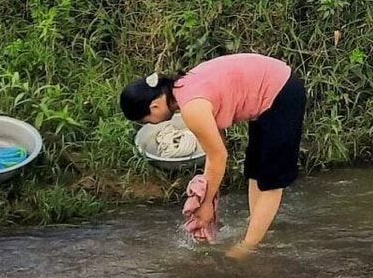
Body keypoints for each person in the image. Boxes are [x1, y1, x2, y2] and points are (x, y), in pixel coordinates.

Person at [120, 53, 307, 257]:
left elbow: (219, 156)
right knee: (255, 168)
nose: (152, 124)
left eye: (147, 120)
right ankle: (258, 225)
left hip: (282, 92)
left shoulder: (191, 108)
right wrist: (206, 196)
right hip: (267, 94)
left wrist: (207, 204)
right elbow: (215, 149)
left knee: (272, 178)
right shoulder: (184, 88)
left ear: (154, 106)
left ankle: (248, 248)